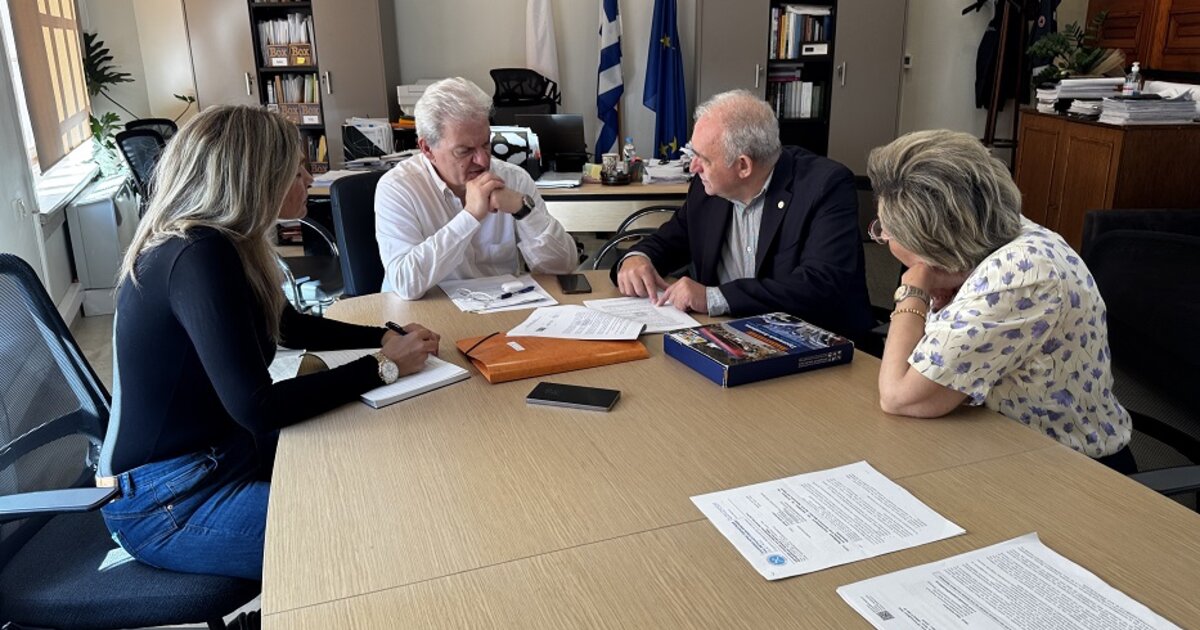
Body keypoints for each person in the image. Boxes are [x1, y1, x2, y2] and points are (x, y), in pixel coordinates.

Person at [101, 105, 442, 581]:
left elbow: (287, 326)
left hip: (219, 457)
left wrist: (383, 336)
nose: (308, 179)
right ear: (257, 179)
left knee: (376, 469)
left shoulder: (222, 244)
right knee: (366, 532)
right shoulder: (198, 255)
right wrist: (383, 365)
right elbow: (259, 408)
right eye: (297, 170)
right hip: (170, 501)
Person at [869, 129, 1134, 473]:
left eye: (887, 231)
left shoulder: (1019, 274)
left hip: (1071, 471)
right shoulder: (994, 233)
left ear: (939, 246)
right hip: (996, 442)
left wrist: (913, 290)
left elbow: (899, 397)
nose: (882, 236)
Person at [612, 89, 873, 343]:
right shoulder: (707, 189)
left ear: (743, 166)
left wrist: (714, 297)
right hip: (729, 338)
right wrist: (638, 258)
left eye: (703, 159)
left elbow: (819, 286)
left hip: (813, 344)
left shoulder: (825, 186)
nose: (693, 167)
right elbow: (671, 239)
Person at [375, 77, 578, 299]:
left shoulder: (513, 179)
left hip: (501, 306)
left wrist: (524, 211)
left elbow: (563, 266)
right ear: (427, 149)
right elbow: (405, 284)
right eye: (464, 151)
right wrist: (470, 216)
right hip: (427, 312)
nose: (483, 160)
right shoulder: (398, 188)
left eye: (486, 144)